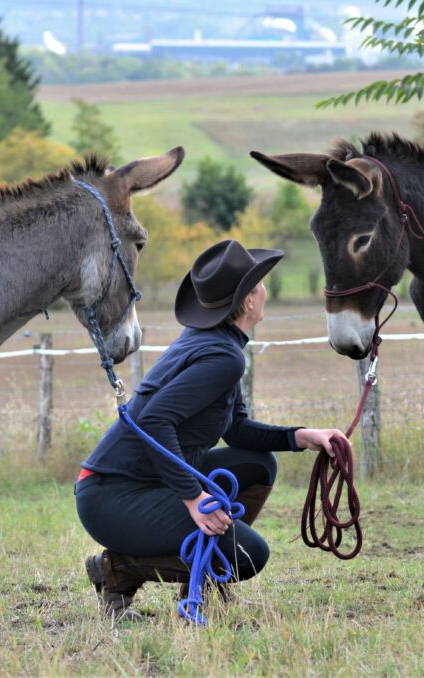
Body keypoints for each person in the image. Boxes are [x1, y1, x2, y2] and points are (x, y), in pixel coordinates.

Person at [75, 239, 352, 621]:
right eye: (260, 282)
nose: (265, 289)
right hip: (115, 495)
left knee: (259, 464)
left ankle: (203, 570)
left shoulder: (217, 344)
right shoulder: (223, 356)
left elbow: (235, 430)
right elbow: (154, 421)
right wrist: (193, 498)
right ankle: (118, 570)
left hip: (138, 483)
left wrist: (302, 437)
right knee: (248, 556)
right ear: (250, 301)